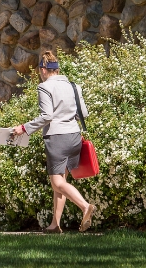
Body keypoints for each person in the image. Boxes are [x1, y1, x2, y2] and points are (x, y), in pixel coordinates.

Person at [11, 50, 96, 233]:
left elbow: (46, 116)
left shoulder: (44, 87)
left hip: (57, 138)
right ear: (57, 69)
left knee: (57, 183)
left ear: (43, 69)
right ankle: (55, 225)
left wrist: (23, 128)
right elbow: (84, 113)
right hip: (74, 136)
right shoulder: (74, 86)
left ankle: (84, 206)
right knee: (61, 180)